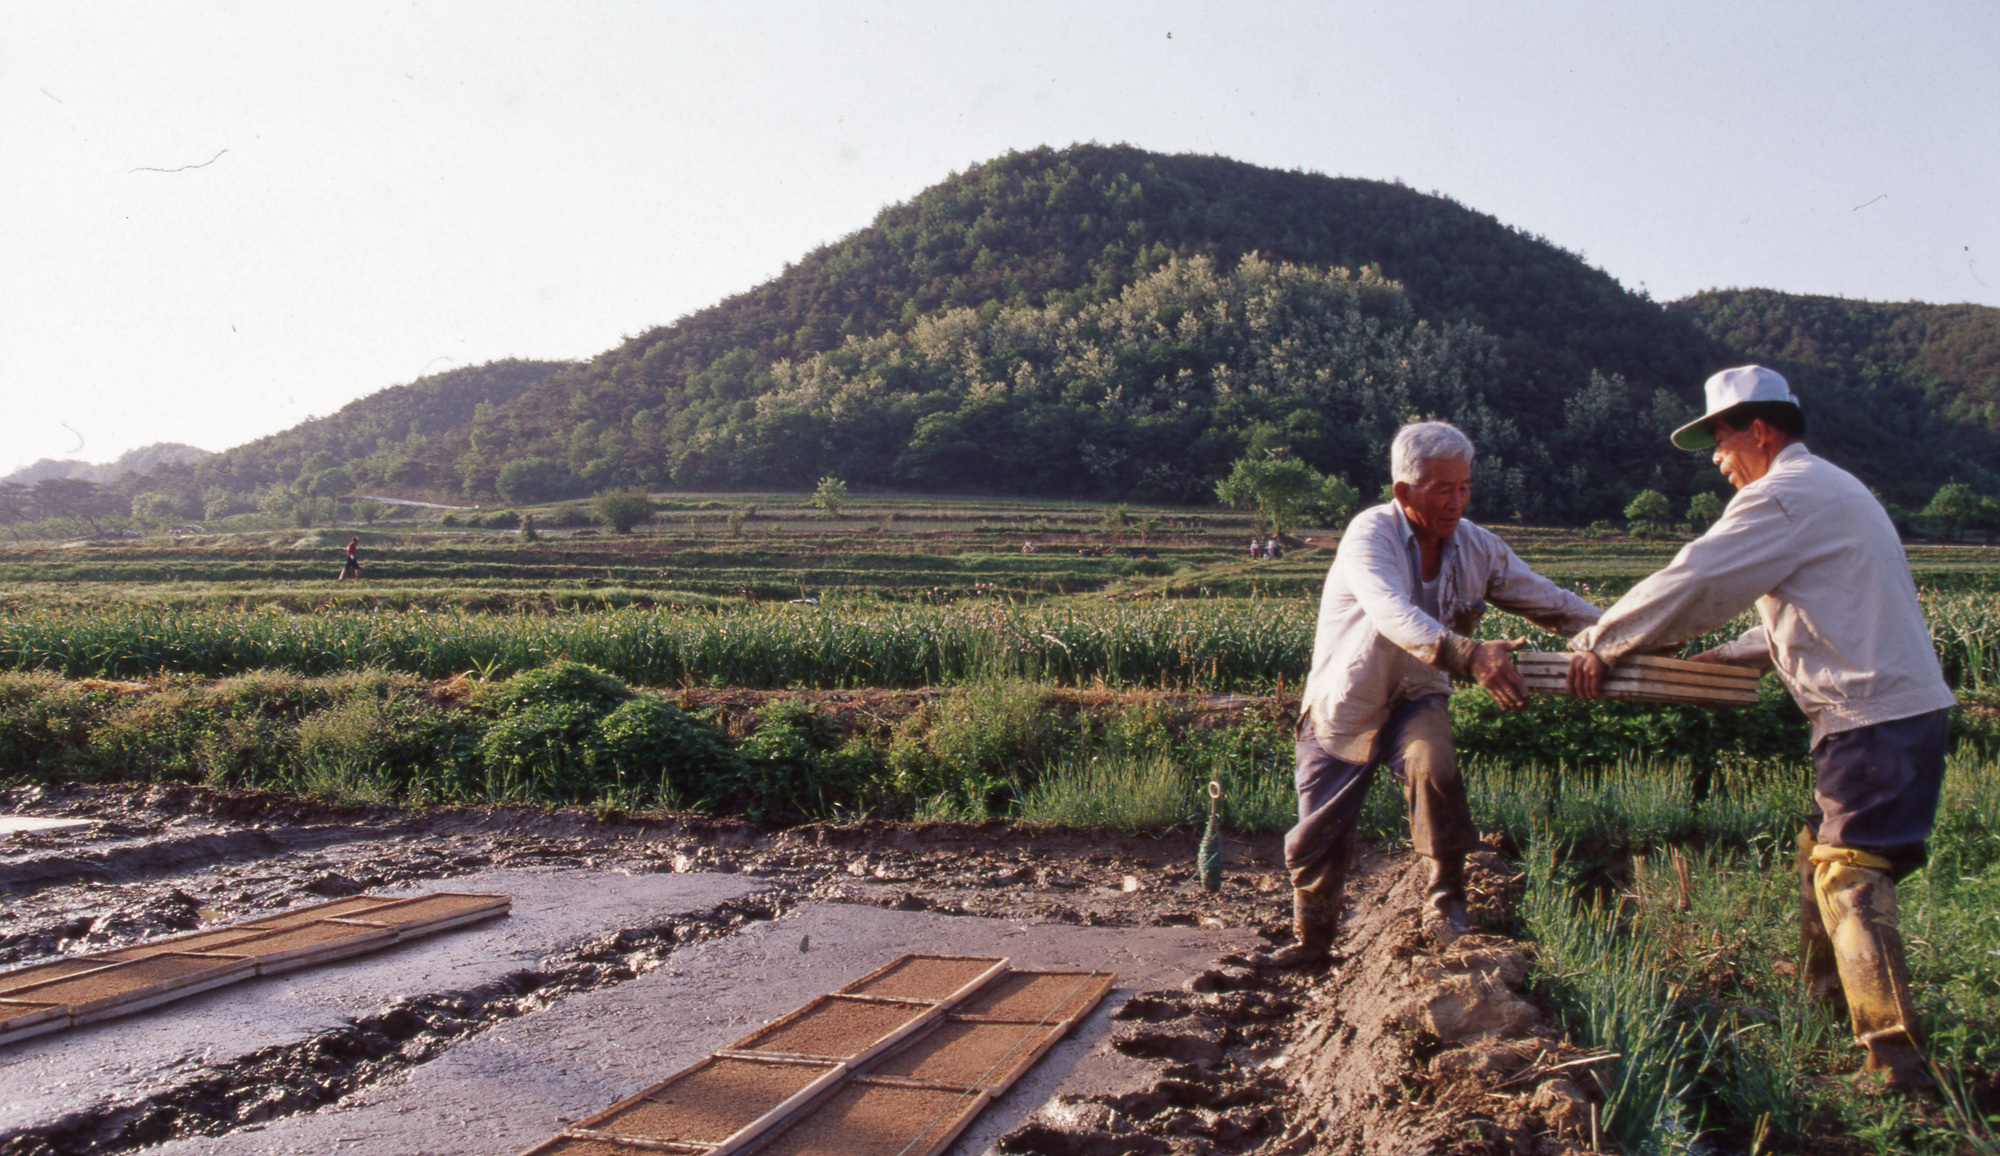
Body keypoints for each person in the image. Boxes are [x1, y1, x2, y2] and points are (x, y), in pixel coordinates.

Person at [1566, 366, 1955, 1093]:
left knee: (1851, 875)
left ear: (1761, 431)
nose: (1717, 460)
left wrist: (1603, 641)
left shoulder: (1783, 494)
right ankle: (1823, 1001)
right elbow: (1827, 602)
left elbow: (1698, 577)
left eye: (1720, 439)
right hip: (1892, 711)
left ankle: (1894, 1060)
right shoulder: (1830, 489)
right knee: (1822, 851)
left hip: (1873, 718)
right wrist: (1741, 650)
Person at [1279, 421, 1600, 966]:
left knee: (1436, 769)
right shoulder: (1369, 535)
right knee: (1318, 833)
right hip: (1348, 699)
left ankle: (1446, 903)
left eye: (1465, 488)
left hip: (1418, 692)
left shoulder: (1478, 547)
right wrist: (1470, 653)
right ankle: (1312, 940)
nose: (1457, 501)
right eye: (1442, 489)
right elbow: (1391, 613)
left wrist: (1621, 635)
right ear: (1405, 492)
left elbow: (1551, 602)